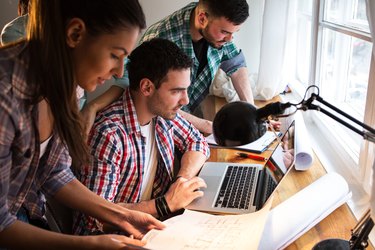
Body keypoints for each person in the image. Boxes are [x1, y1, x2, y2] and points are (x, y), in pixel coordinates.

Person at [0, 0, 165, 249]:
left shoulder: (65, 83)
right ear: (75, 34)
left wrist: (121, 215)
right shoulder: (6, 96)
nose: (120, 72)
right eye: (115, 55)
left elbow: (53, 172)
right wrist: (88, 244)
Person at [73, 38, 210, 235]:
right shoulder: (109, 134)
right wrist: (165, 204)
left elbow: (196, 142)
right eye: (176, 91)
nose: (185, 99)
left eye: (186, 89)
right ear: (146, 87)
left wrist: (182, 180)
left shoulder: (163, 116)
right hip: (113, 240)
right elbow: (97, 219)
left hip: (153, 229)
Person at [82, 0, 255, 135]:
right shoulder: (161, 38)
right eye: (225, 32)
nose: (230, 39)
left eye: (234, 33)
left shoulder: (215, 25)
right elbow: (133, 86)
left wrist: (253, 114)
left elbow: (235, 63)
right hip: (162, 120)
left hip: (183, 119)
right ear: (202, 18)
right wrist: (205, 124)